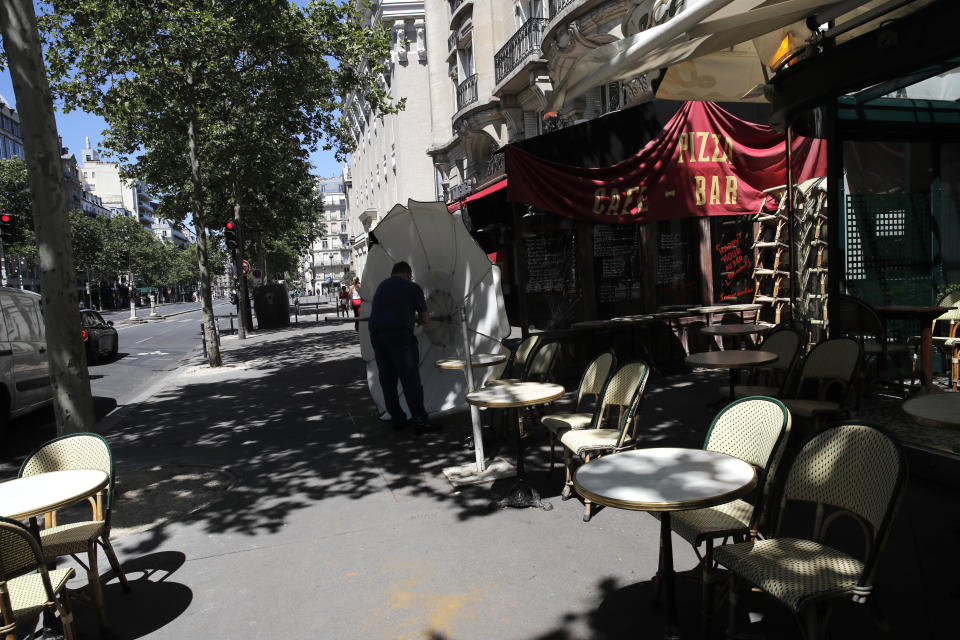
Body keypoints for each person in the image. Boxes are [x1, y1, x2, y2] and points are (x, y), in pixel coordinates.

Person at [368, 261, 436, 433]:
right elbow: (425, 318)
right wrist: (418, 318)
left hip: (377, 336)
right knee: (410, 380)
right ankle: (420, 422)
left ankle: (398, 420)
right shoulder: (413, 288)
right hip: (399, 337)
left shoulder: (382, 286)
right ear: (407, 274)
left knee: (388, 380)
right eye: (410, 276)